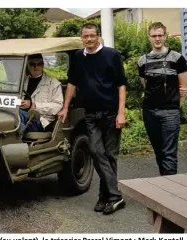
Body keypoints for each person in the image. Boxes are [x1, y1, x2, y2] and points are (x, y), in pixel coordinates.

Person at [57, 23, 127, 215]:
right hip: (91, 114)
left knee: (110, 155)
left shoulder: (112, 55)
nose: (89, 39)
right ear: (81, 38)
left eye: (92, 36)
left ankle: (106, 196)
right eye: (85, 36)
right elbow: (72, 83)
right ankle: (115, 195)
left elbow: (121, 85)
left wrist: (121, 113)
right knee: (96, 152)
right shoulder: (79, 57)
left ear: (98, 36)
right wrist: (65, 107)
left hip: (111, 113)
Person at [137, 22, 187, 176]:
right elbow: (145, 85)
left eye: (160, 35)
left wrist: (175, 106)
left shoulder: (177, 58)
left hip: (170, 112)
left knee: (169, 153)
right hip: (150, 112)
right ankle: (164, 182)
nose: (157, 38)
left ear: (165, 36)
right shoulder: (142, 61)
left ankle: (170, 190)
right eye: (154, 36)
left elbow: (184, 87)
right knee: (159, 151)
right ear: (149, 38)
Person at [20, 53, 63, 133]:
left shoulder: (53, 83)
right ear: (28, 65)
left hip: (42, 121)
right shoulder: (21, 82)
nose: (36, 67)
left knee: (18, 115)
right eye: (32, 64)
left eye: (39, 64)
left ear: (43, 65)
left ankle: (17, 139)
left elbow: (57, 106)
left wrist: (34, 105)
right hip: (22, 117)